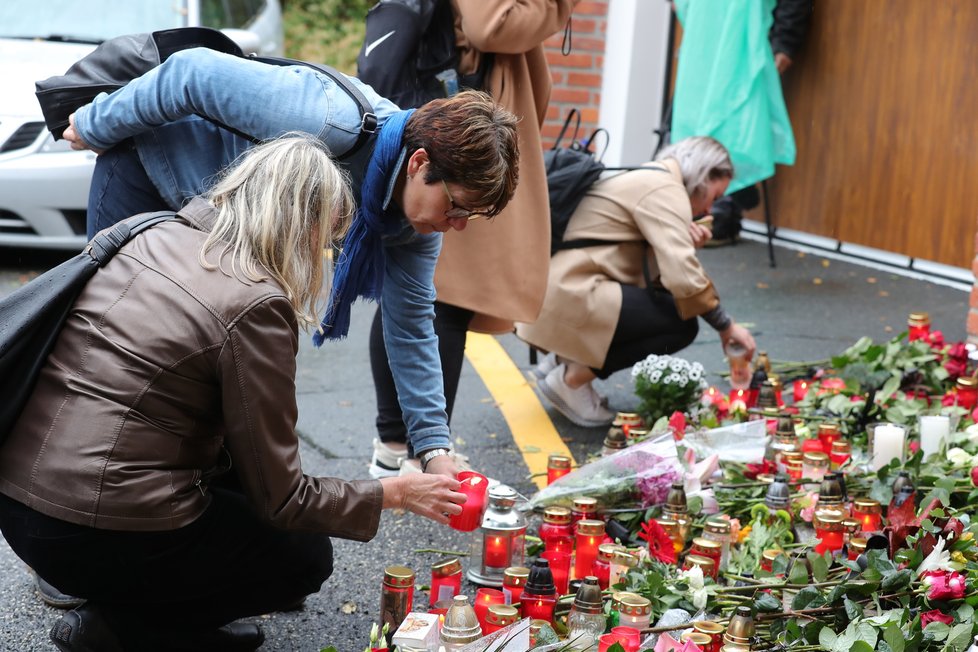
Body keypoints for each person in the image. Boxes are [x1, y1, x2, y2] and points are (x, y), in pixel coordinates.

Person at [0, 134, 467, 652]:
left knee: (241, 503)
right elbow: (284, 498)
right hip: (94, 531)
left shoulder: (148, 232)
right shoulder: (254, 302)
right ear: (301, 227)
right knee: (302, 557)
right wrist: (394, 494)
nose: (326, 253)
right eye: (327, 240)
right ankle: (130, 629)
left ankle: (129, 603)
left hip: (19, 509)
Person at [61, 47, 520, 483]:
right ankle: (68, 493)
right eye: (458, 206)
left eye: (471, 216)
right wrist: (93, 125)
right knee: (112, 351)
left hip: (218, 232)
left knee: (191, 375)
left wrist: (434, 450)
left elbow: (411, 329)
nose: (459, 226)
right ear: (420, 163)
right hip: (152, 176)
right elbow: (191, 74)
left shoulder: (409, 228)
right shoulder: (327, 120)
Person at [367, 0, 579, 477]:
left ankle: (404, 446)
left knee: (424, 291)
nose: (460, 221)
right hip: (462, 132)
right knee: (443, 298)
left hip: (460, 117)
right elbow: (490, 24)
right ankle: (415, 450)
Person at [515, 136, 757, 427]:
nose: (708, 210)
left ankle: (563, 361)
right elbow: (681, 275)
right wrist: (726, 326)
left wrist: (686, 242)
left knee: (666, 308)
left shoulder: (654, 177)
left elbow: (656, 268)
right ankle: (572, 380)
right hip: (574, 290)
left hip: (566, 287)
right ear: (704, 177)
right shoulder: (666, 191)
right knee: (679, 324)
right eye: (714, 197)